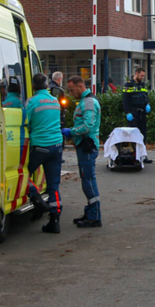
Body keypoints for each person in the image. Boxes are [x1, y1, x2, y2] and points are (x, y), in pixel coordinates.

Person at [23, 73, 64, 234]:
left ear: (33, 86)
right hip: (57, 145)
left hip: (40, 146)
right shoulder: (55, 101)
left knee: (22, 174)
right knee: (54, 185)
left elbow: (26, 122)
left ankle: (37, 199)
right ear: (47, 85)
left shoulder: (32, 102)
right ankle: (55, 221)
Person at [63, 75, 102, 228]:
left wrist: (70, 132)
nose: (71, 93)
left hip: (87, 146)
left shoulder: (89, 103)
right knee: (87, 180)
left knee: (88, 180)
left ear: (81, 86)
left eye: (72, 90)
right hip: (85, 145)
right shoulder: (86, 102)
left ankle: (94, 216)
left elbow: (87, 126)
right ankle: (91, 212)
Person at [122, 68, 152, 163]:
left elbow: (145, 96)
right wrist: (128, 112)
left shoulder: (142, 85)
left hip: (142, 113)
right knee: (133, 136)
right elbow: (125, 100)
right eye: (141, 75)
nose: (142, 77)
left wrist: (147, 104)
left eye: (143, 75)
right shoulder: (128, 84)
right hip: (133, 113)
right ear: (136, 74)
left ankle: (143, 156)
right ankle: (134, 156)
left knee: (143, 135)